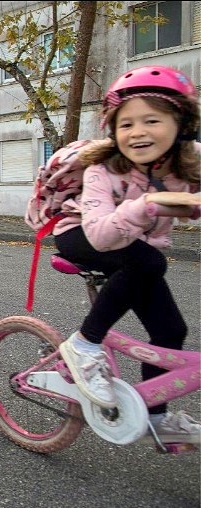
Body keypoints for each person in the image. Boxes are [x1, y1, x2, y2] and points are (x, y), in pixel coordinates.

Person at [53, 65, 201, 444]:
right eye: (126, 124)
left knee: (171, 329)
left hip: (137, 250)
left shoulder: (191, 162)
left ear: (182, 125)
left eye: (152, 120)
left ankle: (157, 418)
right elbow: (101, 236)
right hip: (80, 234)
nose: (138, 132)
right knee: (148, 261)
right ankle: (84, 343)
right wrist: (150, 203)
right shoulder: (102, 168)